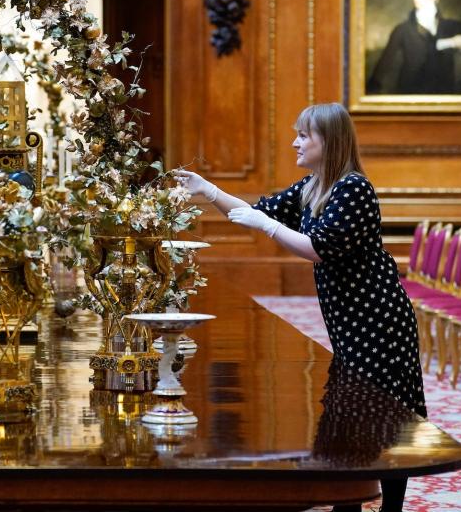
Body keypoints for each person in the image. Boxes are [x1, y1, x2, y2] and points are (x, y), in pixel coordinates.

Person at [174, 102, 425, 512]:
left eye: (304, 135)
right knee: (348, 414)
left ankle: (389, 508)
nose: (295, 141)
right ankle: (350, 503)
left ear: (330, 140)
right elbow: (254, 213)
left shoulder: (353, 188)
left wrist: (269, 228)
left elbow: (320, 249)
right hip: (348, 320)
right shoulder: (312, 187)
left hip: (378, 320)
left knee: (385, 416)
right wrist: (209, 191)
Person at [367, 0, 461, 95]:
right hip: (411, 93)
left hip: (444, 95)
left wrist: (456, 40)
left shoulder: (449, 26)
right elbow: (385, 62)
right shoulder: (402, 30)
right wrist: (370, 92)